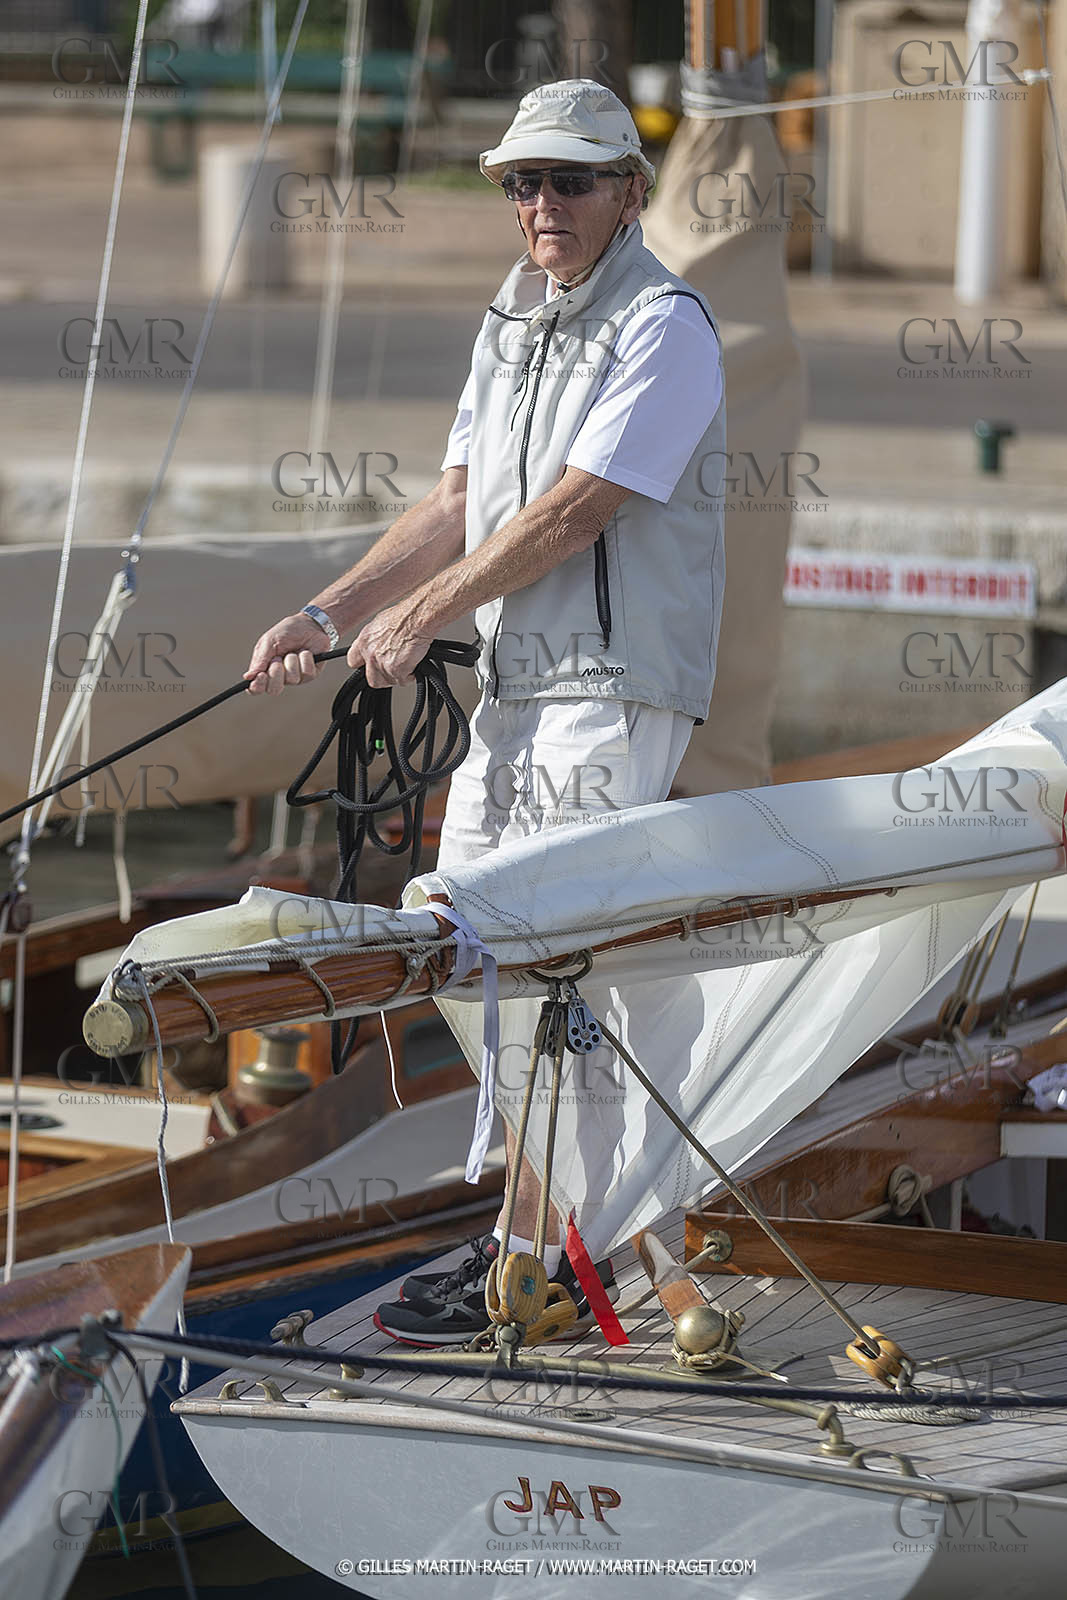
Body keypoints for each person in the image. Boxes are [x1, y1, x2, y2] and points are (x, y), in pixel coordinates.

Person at [245, 79, 726, 1346]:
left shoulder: (664, 325)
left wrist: (424, 619)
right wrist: (334, 612)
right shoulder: (510, 324)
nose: (541, 205)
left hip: (613, 693)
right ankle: (543, 1247)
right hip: (517, 691)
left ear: (629, 190)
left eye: (569, 180)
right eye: (521, 182)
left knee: (552, 960)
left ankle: (543, 1257)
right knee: (479, 959)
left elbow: (577, 508)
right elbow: (457, 502)